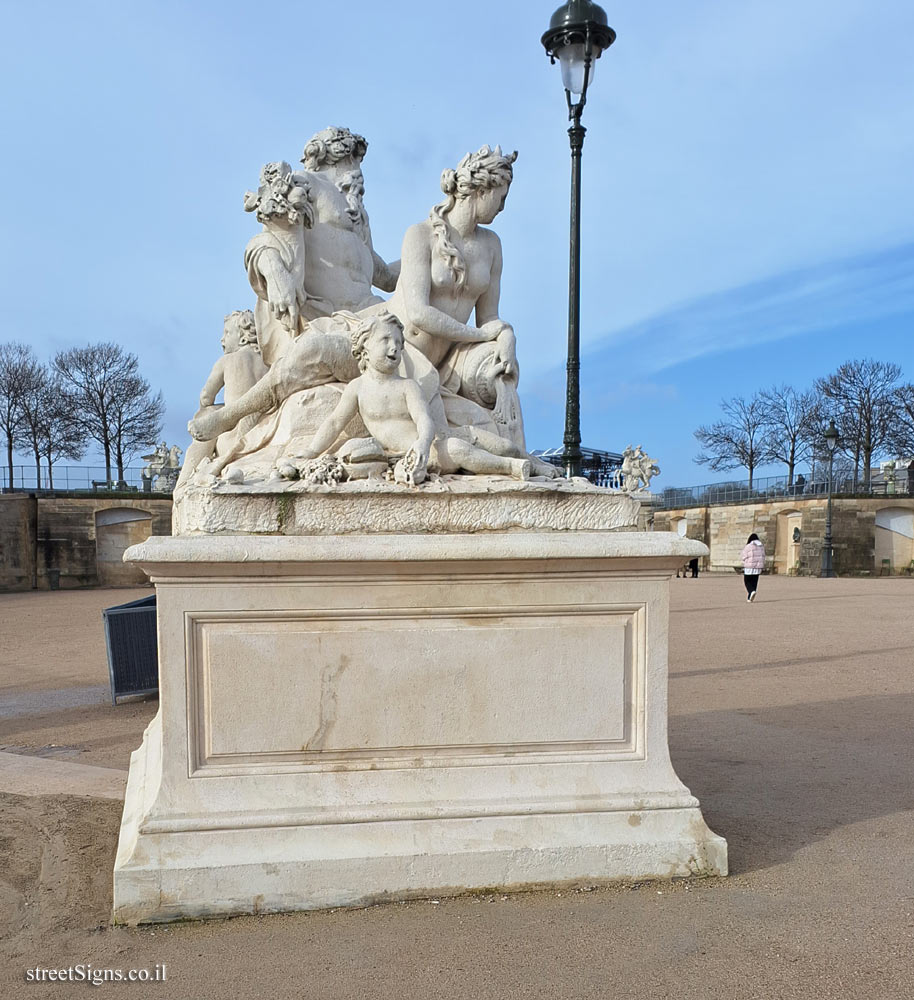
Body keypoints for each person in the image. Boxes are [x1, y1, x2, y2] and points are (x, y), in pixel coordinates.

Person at [283, 311, 530, 484]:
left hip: (431, 442)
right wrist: (312, 450)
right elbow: (335, 422)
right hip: (424, 452)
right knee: (458, 449)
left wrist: (422, 442)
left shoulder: (407, 386)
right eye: (386, 341)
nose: (395, 348)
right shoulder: (357, 388)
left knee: (506, 446)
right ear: (365, 347)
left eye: (399, 343)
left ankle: (536, 464)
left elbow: (424, 420)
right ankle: (511, 468)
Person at [177, 311, 268, 487]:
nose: (222, 339)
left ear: (242, 339)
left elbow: (205, 397)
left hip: (234, 440)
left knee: (208, 414)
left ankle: (182, 485)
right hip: (260, 438)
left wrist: (212, 409)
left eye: (227, 333)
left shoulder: (227, 360)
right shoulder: (268, 365)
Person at [741, 532, 766, 602]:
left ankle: (751, 591)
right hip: (758, 567)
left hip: (749, 567)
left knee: (747, 581)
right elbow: (763, 556)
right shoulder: (761, 546)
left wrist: (744, 562)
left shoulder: (748, 546)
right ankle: (750, 597)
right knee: (754, 582)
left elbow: (744, 556)